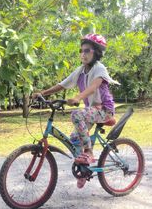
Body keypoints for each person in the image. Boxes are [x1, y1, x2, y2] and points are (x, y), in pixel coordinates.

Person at [32, 34, 119, 189]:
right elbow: (62, 85)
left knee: (76, 114)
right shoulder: (80, 71)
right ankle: (84, 170)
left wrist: (78, 97)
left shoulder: (99, 68)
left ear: (96, 53)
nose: (83, 54)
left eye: (87, 51)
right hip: (92, 111)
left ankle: (89, 152)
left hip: (104, 110)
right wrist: (43, 93)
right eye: (81, 51)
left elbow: (94, 86)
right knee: (74, 139)